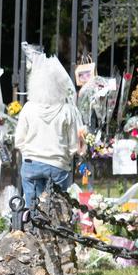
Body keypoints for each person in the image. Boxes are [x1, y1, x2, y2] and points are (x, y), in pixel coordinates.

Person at [15, 55, 83, 208]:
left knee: (32, 209)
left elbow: (19, 140)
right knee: (57, 210)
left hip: (31, 163)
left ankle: (31, 228)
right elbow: (73, 145)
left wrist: (30, 153)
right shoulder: (67, 110)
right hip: (58, 165)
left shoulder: (28, 108)